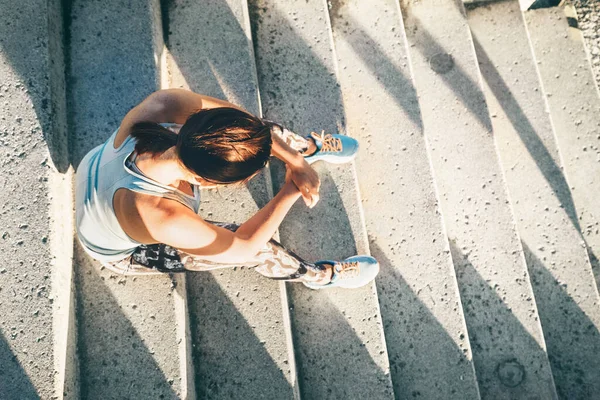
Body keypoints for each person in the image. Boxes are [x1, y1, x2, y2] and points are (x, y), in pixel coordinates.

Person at [75, 89, 379, 289]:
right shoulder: (163, 217)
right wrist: (291, 190)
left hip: (100, 179)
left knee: (252, 132)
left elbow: (246, 124)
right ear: (208, 183)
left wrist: (296, 162)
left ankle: (306, 150)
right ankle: (318, 275)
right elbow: (242, 246)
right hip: (119, 249)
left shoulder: (161, 106)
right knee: (261, 250)